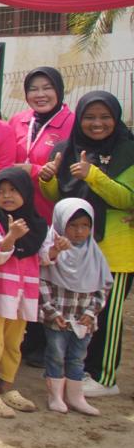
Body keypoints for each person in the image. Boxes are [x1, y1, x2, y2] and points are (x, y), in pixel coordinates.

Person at [39, 91, 133, 398]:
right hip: (76, 248)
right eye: (89, 117)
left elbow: (127, 198)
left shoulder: (128, 151)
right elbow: (61, 198)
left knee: (107, 314)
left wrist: (94, 175)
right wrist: (48, 179)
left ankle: (105, 377)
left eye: (105, 117)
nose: (97, 123)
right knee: (77, 309)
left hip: (115, 249)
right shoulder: (69, 149)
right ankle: (77, 372)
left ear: (116, 118)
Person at [0, 168, 59, 418]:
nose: (7, 196)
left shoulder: (39, 225)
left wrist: (56, 250)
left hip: (24, 293)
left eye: (13, 190)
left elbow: (43, 257)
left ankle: (7, 386)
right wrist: (11, 237)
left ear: (26, 192)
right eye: (1, 191)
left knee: (14, 343)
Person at [38, 199, 109, 416]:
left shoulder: (94, 254)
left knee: (78, 357)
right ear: (61, 224)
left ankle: (76, 397)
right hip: (58, 318)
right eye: (73, 225)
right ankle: (55, 396)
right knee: (56, 355)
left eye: (85, 226)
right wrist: (51, 311)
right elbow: (42, 282)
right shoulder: (53, 251)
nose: (79, 232)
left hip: (83, 321)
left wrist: (91, 313)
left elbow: (104, 286)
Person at [8, 67, 73, 216]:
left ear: (59, 90)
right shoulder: (17, 120)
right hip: (14, 210)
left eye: (47, 88)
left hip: (53, 212)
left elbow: (76, 171)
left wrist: (34, 171)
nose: (40, 94)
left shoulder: (74, 123)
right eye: (33, 89)